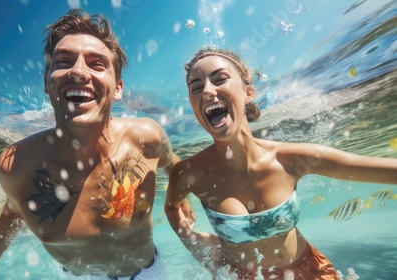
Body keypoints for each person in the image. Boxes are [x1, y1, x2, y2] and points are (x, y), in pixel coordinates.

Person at [0, 9, 193, 280]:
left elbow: (172, 164)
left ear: (118, 87)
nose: (78, 72)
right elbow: (12, 212)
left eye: (97, 63)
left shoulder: (147, 138)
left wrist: (178, 198)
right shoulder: (16, 165)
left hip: (144, 274)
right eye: (64, 61)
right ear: (46, 81)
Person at [164, 46, 397, 279]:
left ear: (248, 92)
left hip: (308, 273)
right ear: (193, 104)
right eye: (196, 87)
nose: (207, 91)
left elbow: (387, 171)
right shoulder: (187, 173)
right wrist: (197, 245)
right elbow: (172, 209)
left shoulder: (292, 159)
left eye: (219, 79)